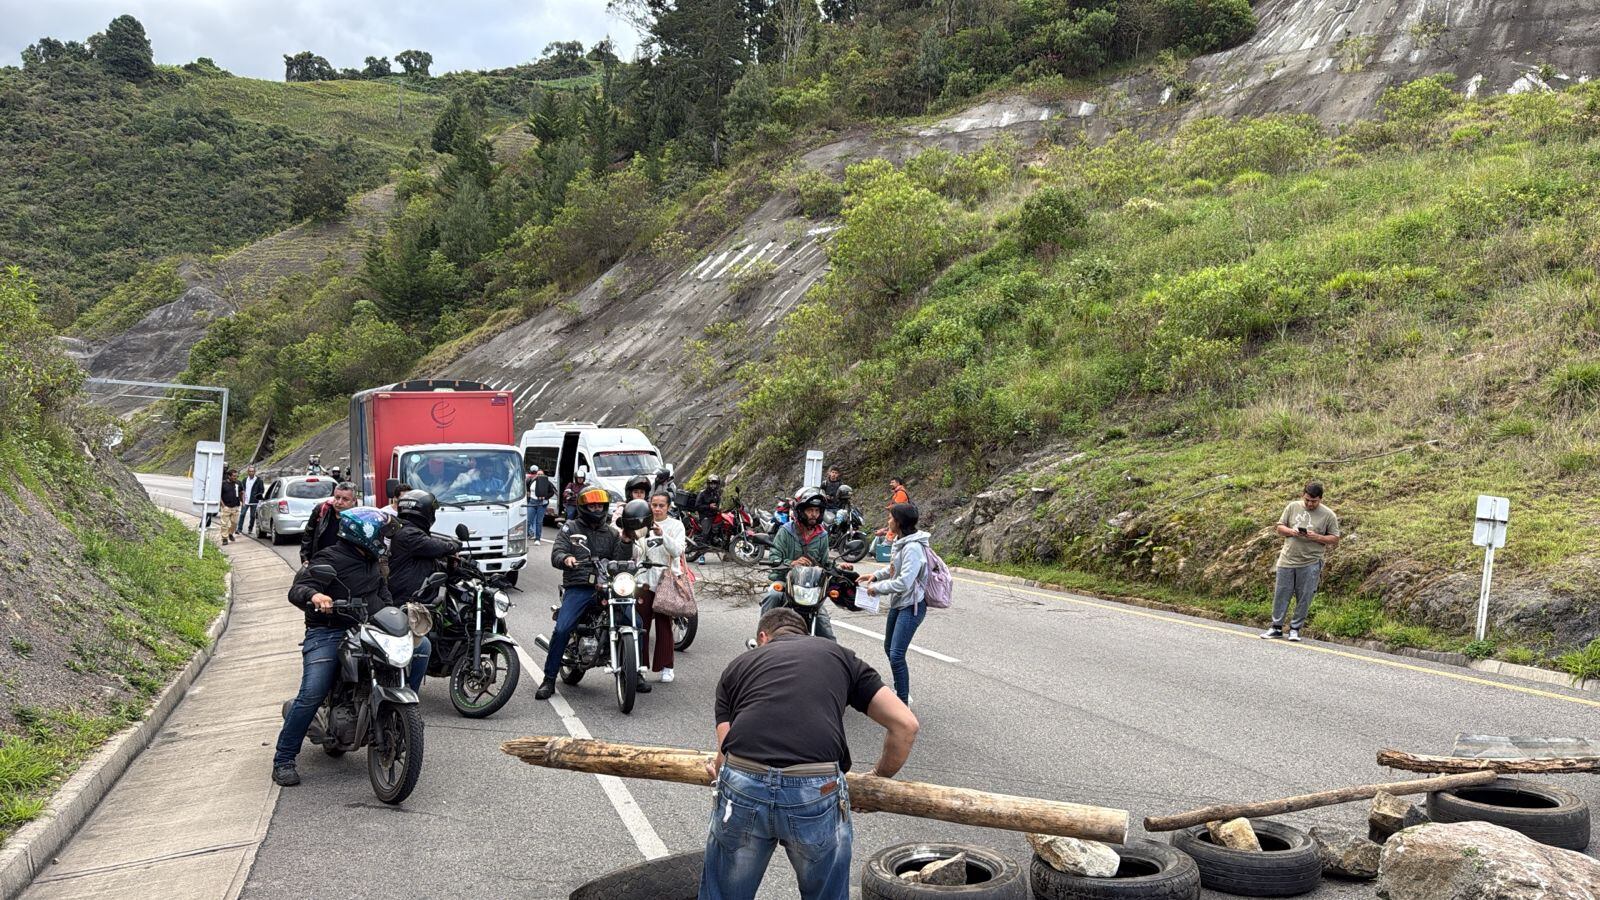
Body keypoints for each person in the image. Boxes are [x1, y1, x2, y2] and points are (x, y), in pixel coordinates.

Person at [700, 607, 919, 900]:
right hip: (815, 787)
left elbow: (724, 755)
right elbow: (905, 725)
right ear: (805, 634)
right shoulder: (840, 656)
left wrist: (722, 775)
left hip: (744, 781)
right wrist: (878, 777)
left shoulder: (739, 665)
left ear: (763, 637)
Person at [272, 507, 430, 787]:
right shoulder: (329, 558)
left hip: (369, 628)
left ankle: (404, 715)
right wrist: (315, 594)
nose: (385, 540)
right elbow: (298, 589)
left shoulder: (373, 560)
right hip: (329, 630)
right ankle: (284, 758)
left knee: (421, 648)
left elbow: (384, 596)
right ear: (364, 534)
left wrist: (399, 613)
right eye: (381, 534)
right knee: (313, 690)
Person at [537, 487, 639, 700]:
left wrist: (627, 541)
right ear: (584, 507)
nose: (597, 508)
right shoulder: (570, 528)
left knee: (635, 621)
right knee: (563, 628)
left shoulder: (611, 532)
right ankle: (548, 679)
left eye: (600, 505)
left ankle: (635, 672)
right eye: (592, 505)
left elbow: (619, 559)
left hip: (607, 586)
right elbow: (557, 552)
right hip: (580, 585)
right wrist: (566, 559)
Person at [858, 503, 929, 706]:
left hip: (912, 605)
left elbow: (904, 582)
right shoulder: (901, 541)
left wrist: (877, 588)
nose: (888, 521)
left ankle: (902, 702)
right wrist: (875, 575)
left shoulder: (913, 548)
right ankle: (900, 689)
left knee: (897, 654)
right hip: (900, 603)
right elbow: (893, 570)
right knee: (889, 648)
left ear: (898, 522)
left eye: (890, 517)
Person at [1261, 482, 1340, 643]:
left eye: (1314, 501)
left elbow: (1335, 538)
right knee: (1281, 593)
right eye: (1307, 500)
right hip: (1287, 558)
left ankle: (1295, 629)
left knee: (1305, 596)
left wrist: (1316, 537)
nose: (1310, 504)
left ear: (1321, 499)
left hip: (1311, 561)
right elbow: (1279, 527)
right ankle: (1276, 627)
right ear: (1302, 495)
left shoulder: (1328, 515)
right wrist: (1292, 532)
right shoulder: (1292, 507)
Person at [762, 488, 836, 640]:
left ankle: (833, 656)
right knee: (773, 594)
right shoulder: (786, 531)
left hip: (810, 586)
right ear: (801, 511)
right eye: (810, 510)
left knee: (824, 625)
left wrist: (838, 567)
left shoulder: (822, 535)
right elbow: (774, 557)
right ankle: (763, 639)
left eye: (817, 510)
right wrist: (791, 563)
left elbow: (825, 562)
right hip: (784, 580)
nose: (814, 514)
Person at [635, 491, 686, 683]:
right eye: (654, 505)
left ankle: (666, 666)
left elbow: (678, 550)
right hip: (644, 580)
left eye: (661, 505)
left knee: (664, 625)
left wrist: (662, 535)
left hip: (666, 580)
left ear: (668, 507)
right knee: (641, 625)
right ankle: (640, 665)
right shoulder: (642, 523)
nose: (657, 509)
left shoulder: (676, 525)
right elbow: (637, 551)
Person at [388, 490, 461, 604]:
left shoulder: (407, 530)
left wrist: (452, 567)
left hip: (415, 595)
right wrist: (454, 545)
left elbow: (426, 563)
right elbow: (435, 547)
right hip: (409, 598)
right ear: (425, 512)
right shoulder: (409, 534)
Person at [300, 481, 358, 564]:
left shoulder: (358, 519)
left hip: (344, 567)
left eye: (345, 499)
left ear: (354, 501)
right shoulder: (322, 510)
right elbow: (308, 534)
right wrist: (305, 558)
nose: (339, 502)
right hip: (319, 562)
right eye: (337, 497)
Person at [527, 465, 556, 544]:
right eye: (538, 474)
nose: (539, 476)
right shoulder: (531, 480)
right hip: (532, 502)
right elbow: (527, 488)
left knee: (539, 522)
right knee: (529, 520)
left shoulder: (547, 482)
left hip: (542, 504)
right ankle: (526, 535)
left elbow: (552, 492)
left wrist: (545, 497)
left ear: (543, 475)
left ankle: (537, 539)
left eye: (541, 474)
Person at [696, 474, 724, 544]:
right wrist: (709, 506)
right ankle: (701, 546)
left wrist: (719, 509)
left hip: (713, 515)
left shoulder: (716, 494)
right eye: (712, 484)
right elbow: (697, 506)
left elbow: (717, 505)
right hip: (705, 516)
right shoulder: (702, 493)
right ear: (708, 484)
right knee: (706, 532)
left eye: (715, 484)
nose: (713, 485)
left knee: (723, 524)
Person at [239, 466, 265, 537]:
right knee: (242, 514)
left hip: (254, 501)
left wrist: (257, 497)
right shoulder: (244, 480)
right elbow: (242, 490)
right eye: (250, 471)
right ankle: (239, 529)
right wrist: (242, 500)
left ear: (254, 472)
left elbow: (262, 490)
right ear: (248, 472)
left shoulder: (259, 481)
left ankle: (250, 528)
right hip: (246, 501)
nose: (251, 473)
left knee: (253, 516)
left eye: (252, 471)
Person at [218, 468, 241, 544]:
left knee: (235, 523)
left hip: (236, 507)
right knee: (224, 524)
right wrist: (223, 505)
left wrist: (242, 502)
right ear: (229, 476)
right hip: (226, 507)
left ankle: (230, 533)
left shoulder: (238, 483)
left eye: (236, 476)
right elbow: (219, 495)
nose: (235, 478)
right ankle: (224, 538)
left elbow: (242, 492)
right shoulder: (223, 484)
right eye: (234, 476)